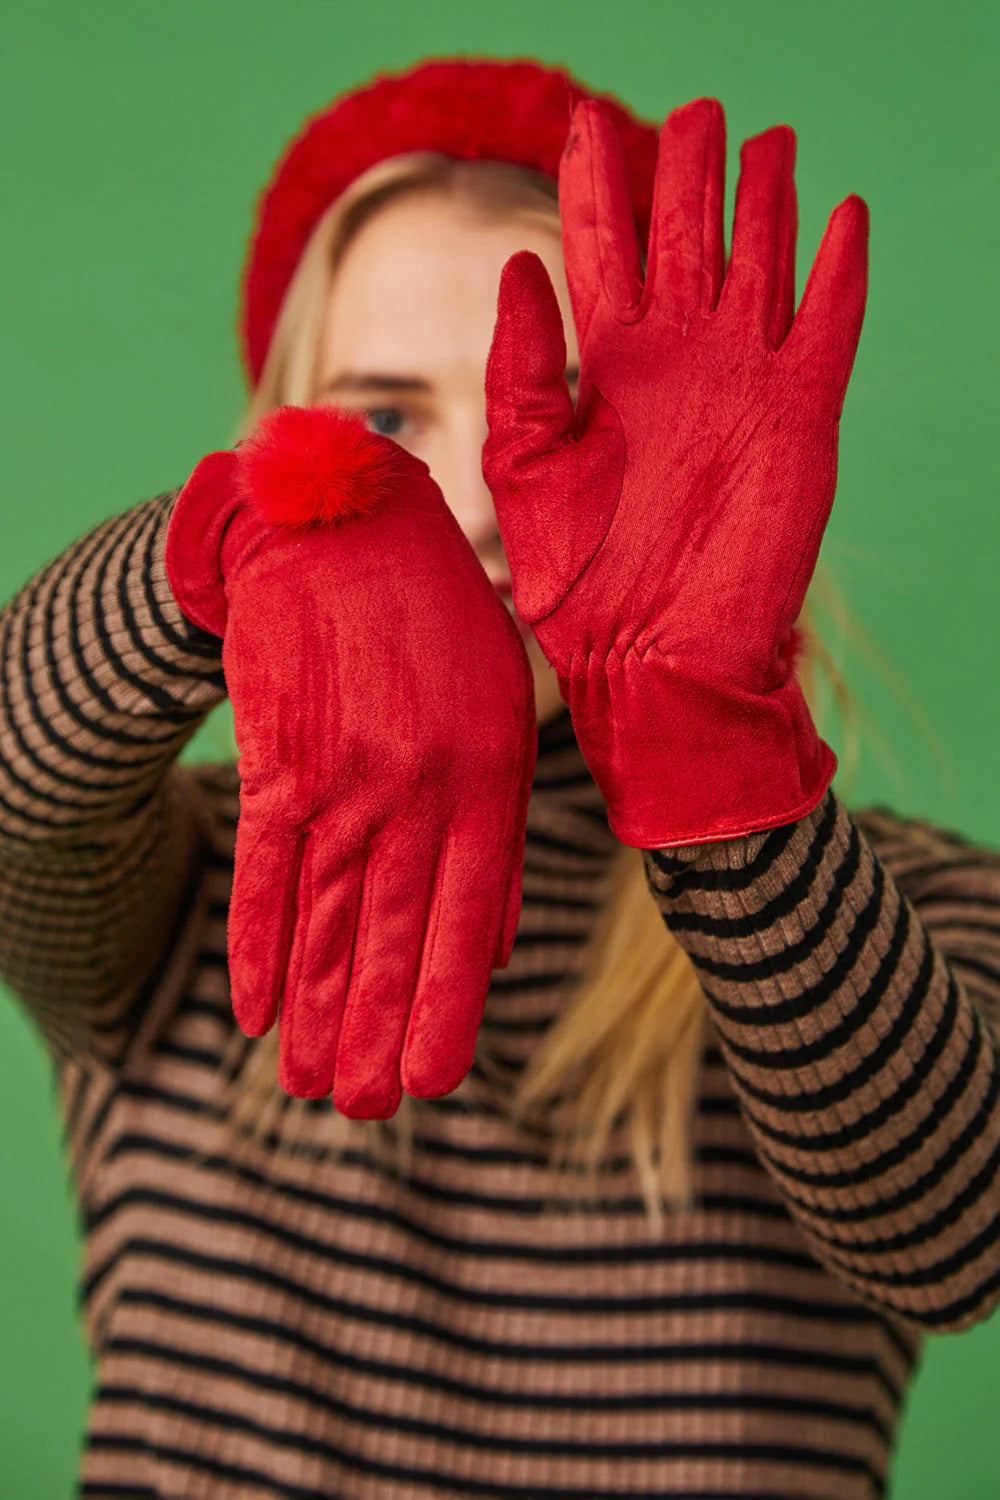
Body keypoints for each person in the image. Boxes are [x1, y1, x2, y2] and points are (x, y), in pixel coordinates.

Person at [1, 52, 998, 1500]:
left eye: (554, 412)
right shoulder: (193, 884)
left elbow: (951, 1236)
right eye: (383, 424)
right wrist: (242, 544)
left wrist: (713, 746)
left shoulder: (900, 904)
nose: (465, 497)